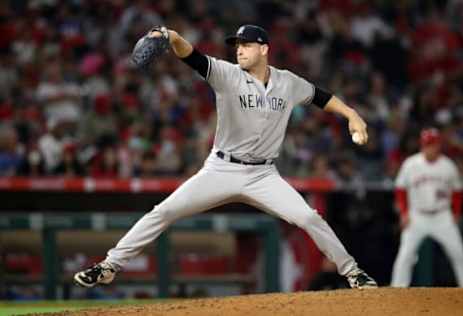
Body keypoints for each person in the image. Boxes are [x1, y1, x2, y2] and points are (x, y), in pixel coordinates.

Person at [74, 25, 377, 290]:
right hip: (221, 169)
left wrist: (352, 115)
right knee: (163, 212)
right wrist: (171, 36)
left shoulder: (288, 82)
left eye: (246, 45)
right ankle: (109, 266)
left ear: (264, 49)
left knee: (309, 217)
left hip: (263, 175)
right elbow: (191, 56)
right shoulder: (226, 74)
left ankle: (354, 273)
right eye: (237, 45)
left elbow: (322, 97)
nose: (240, 50)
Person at [391, 128, 463, 287]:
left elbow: (457, 191)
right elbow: (400, 189)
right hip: (417, 216)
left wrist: (456, 213)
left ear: (438, 145)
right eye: (426, 144)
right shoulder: (411, 164)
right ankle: (397, 290)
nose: (429, 148)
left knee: (459, 253)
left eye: (432, 144)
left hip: (442, 216)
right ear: (422, 145)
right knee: (405, 255)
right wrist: (404, 212)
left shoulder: (448, 166)